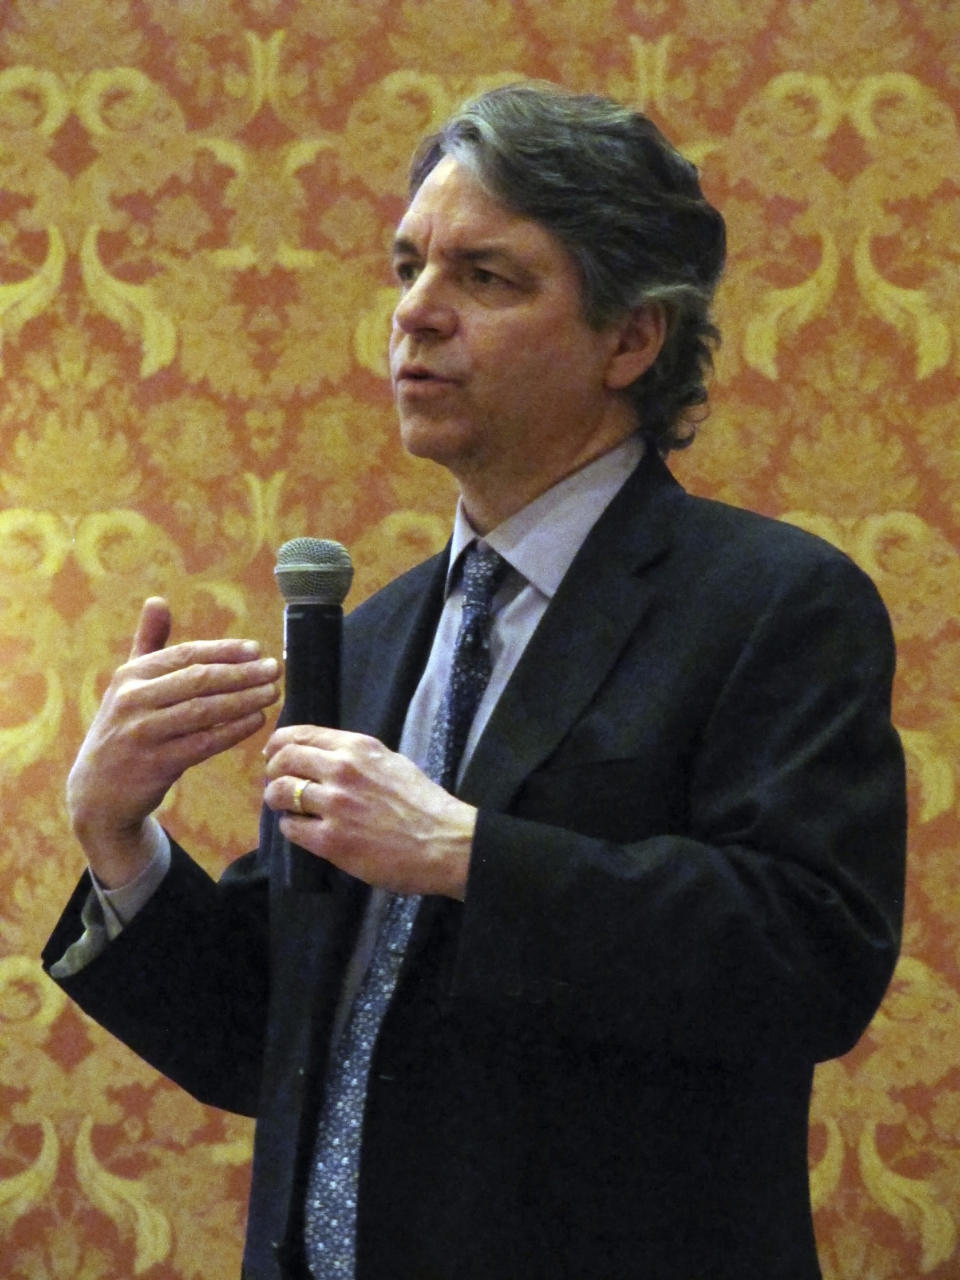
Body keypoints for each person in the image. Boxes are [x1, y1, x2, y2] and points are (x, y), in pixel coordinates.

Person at [43, 82, 906, 1280]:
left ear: (631, 338)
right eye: (408, 268)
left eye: (486, 279)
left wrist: (466, 852)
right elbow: (273, 1043)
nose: (416, 315)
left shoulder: (772, 602)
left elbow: (810, 961)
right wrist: (117, 839)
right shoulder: (376, 631)